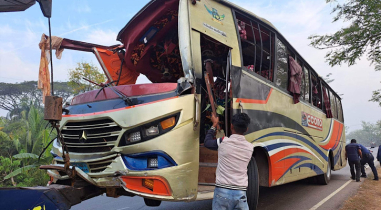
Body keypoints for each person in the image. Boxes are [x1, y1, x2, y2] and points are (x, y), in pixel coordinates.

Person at [204, 113, 253, 210]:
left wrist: (214, 125)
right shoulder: (250, 148)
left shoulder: (223, 142)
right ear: (246, 129)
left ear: (231, 126)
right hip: (240, 193)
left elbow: (207, 142)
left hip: (222, 192)